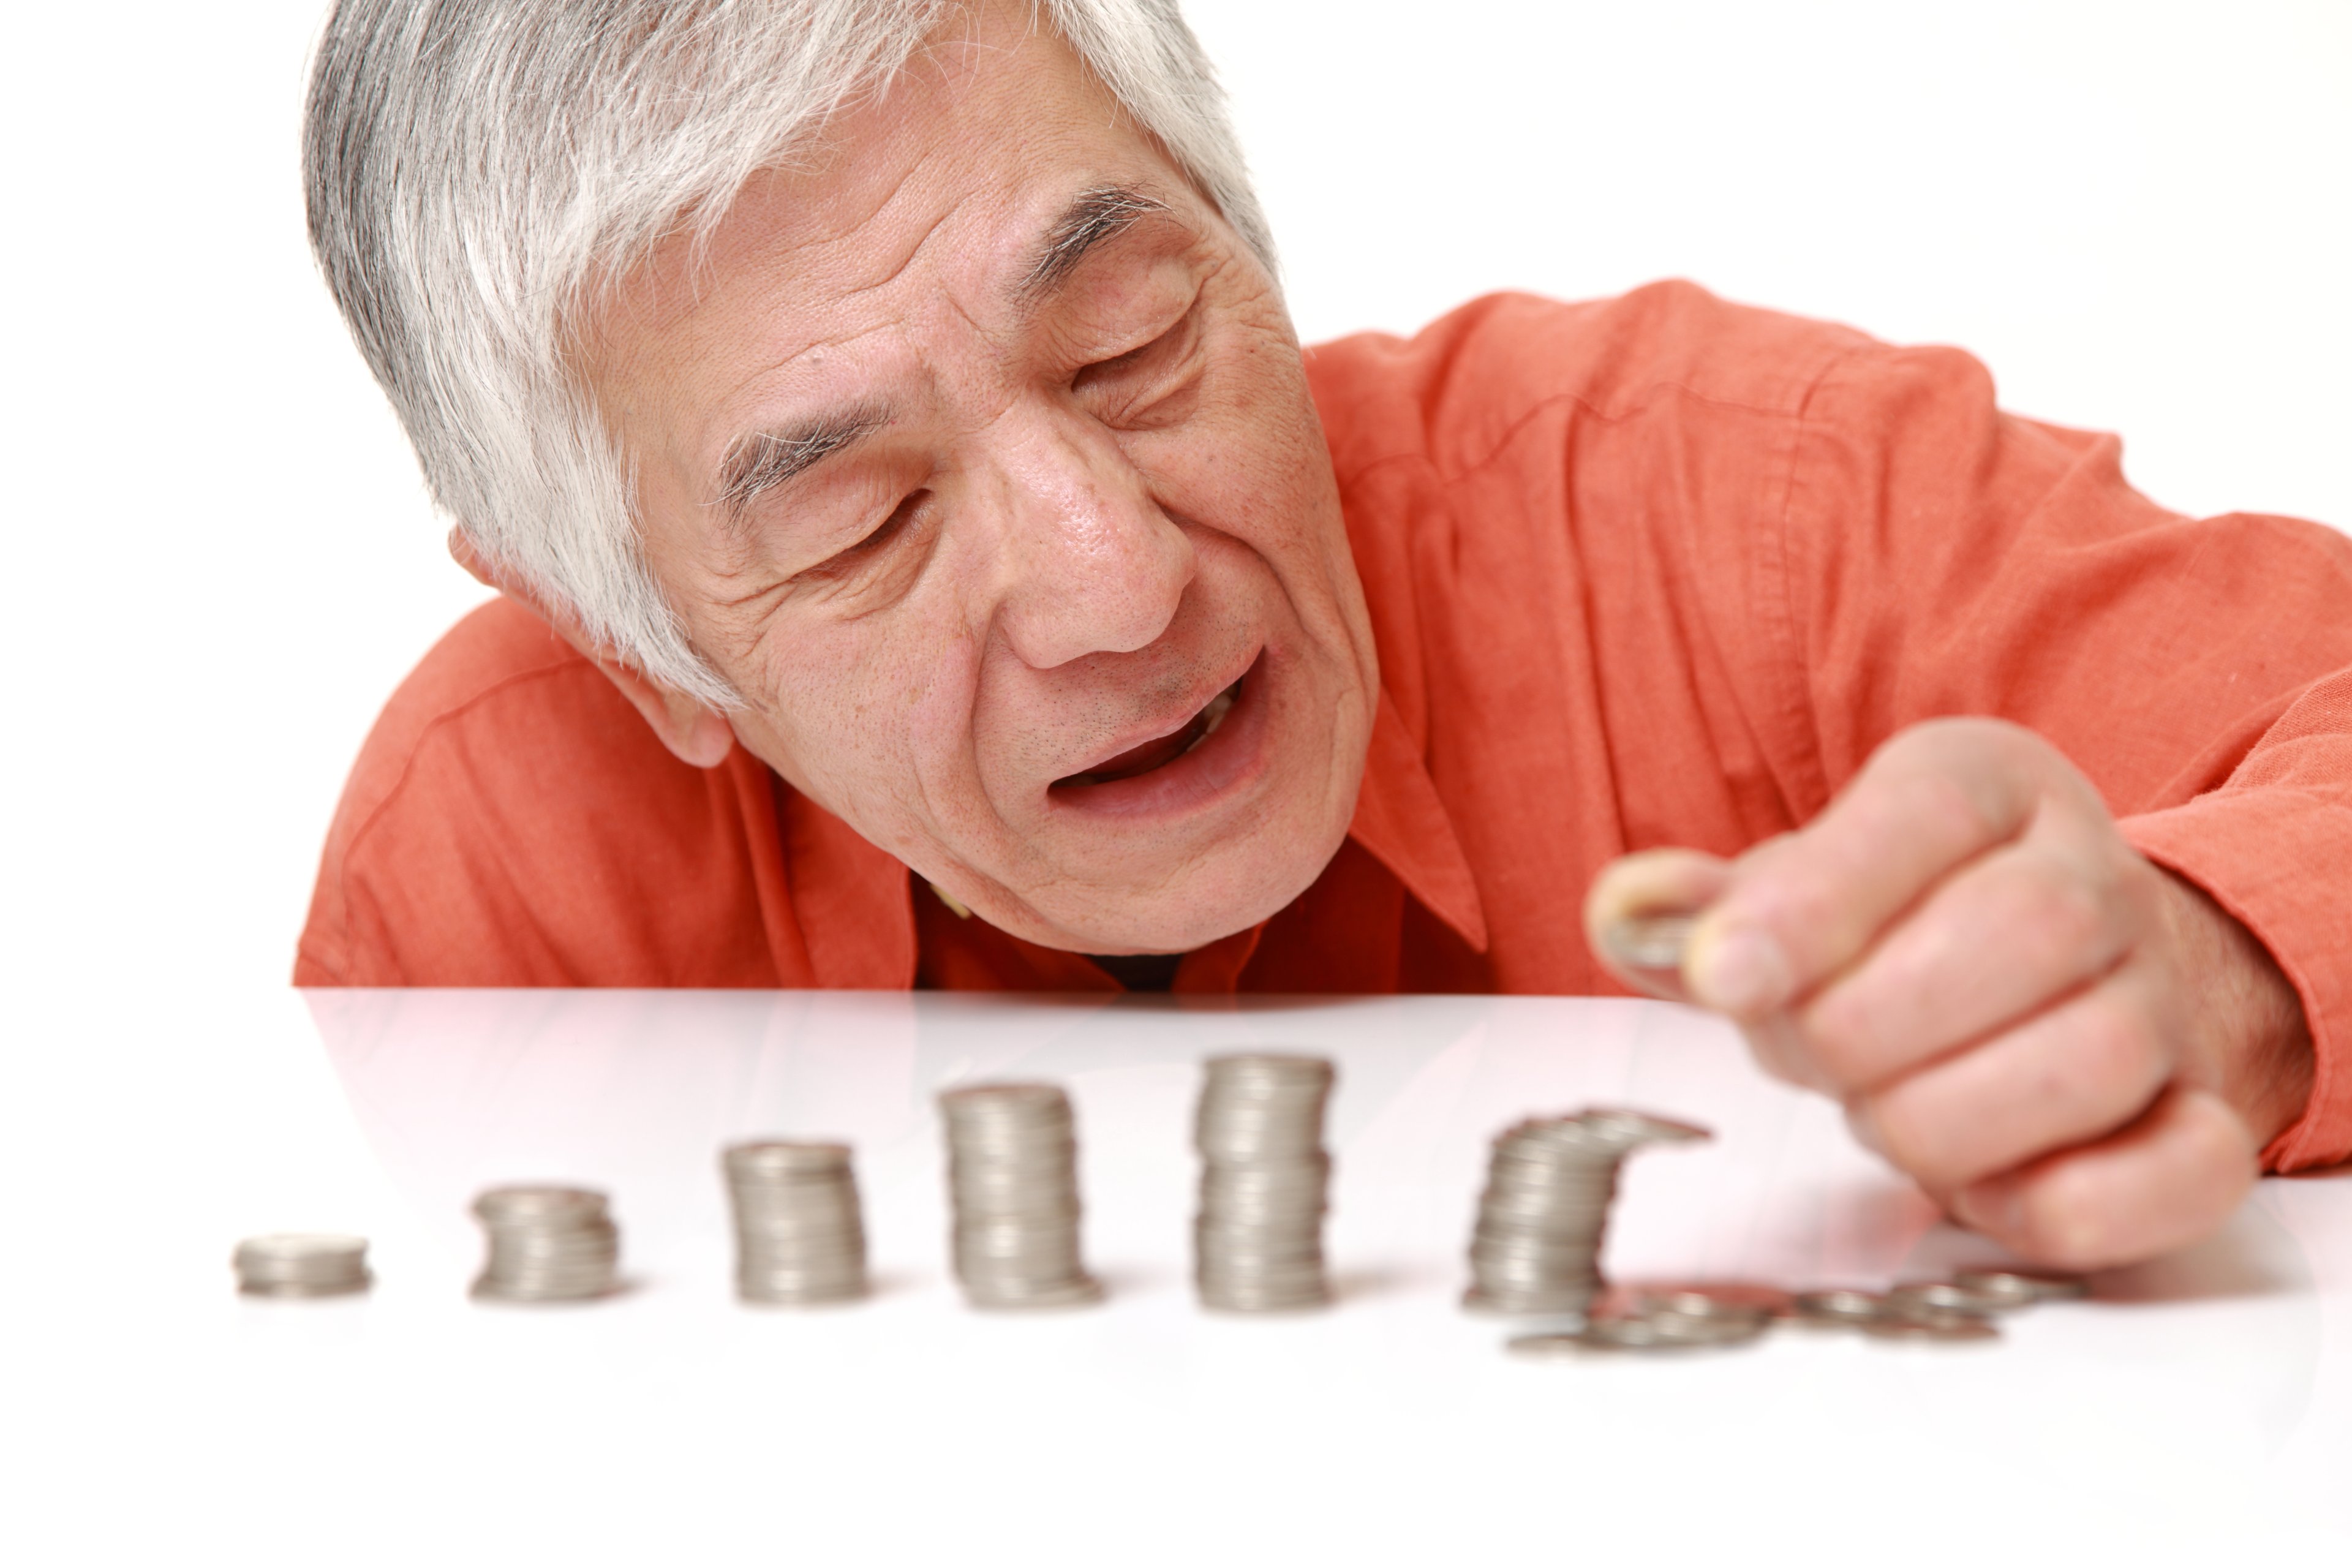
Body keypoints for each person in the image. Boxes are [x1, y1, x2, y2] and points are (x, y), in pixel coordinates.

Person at [296, 0, 2351, 1271]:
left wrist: (2225, 964)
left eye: (1131, 343)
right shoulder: (495, 879)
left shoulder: (1746, 507)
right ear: (640, 647)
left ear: (1244, 237)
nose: (1120, 585)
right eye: (865, 518)